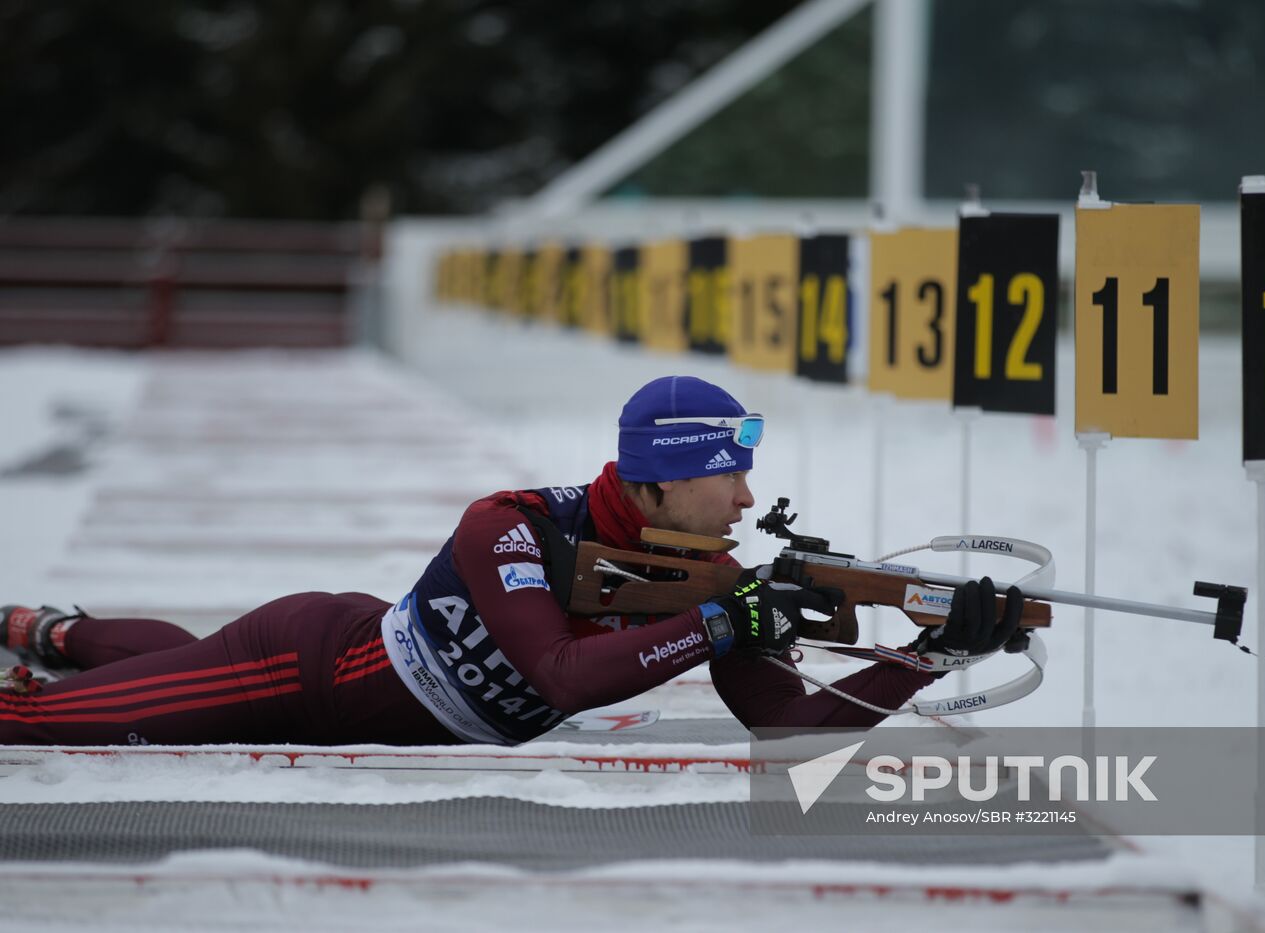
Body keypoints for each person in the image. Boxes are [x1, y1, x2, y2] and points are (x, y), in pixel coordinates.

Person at [0, 375, 1023, 747]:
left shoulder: (703, 576)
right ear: (659, 484)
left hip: (321, 674)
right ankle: (42, 658)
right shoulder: (514, 525)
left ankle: (50, 630)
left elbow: (785, 726)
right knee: (35, 723)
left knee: (173, 669)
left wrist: (926, 657)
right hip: (302, 665)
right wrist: (725, 621)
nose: (748, 503)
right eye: (728, 481)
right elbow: (561, 678)